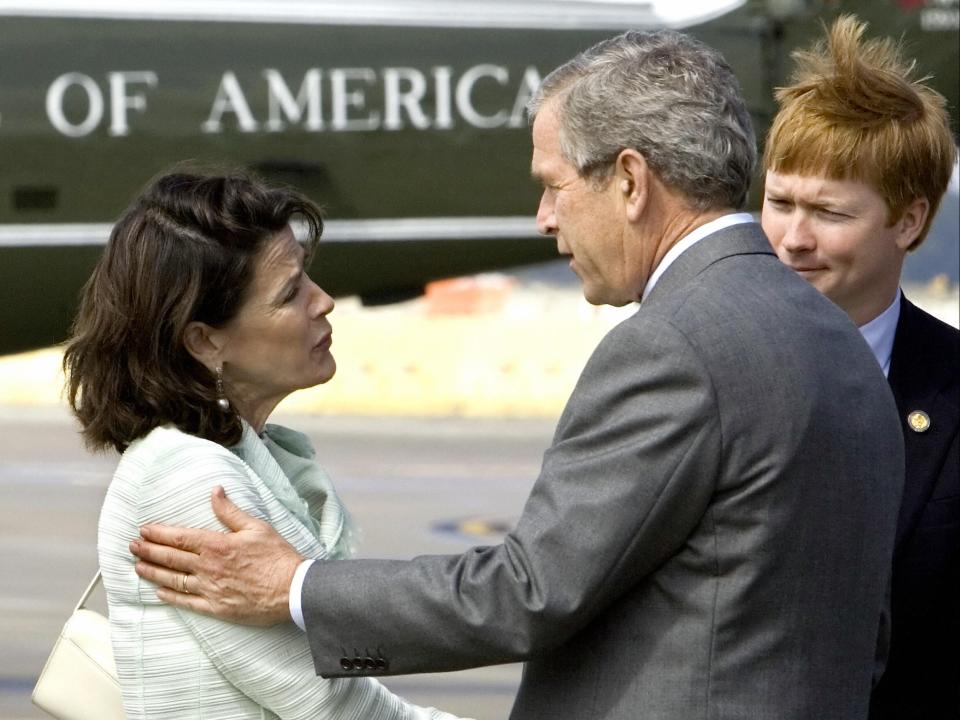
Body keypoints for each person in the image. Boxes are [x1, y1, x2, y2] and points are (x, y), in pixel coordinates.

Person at [130, 31, 905, 719]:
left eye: (554, 183)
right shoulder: (839, 339)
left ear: (630, 181)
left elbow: (528, 592)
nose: (544, 216)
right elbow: (862, 633)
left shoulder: (674, 346)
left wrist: (294, 587)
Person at [63, 170, 468, 720]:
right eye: (289, 293)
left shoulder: (238, 457)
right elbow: (329, 704)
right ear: (205, 341)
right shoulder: (188, 478)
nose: (323, 301)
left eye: (309, 278)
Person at [760, 15, 959, 719]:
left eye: (829, 212)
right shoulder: (698, 370)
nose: (792, 239)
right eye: (779, 202)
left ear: (908, 222)